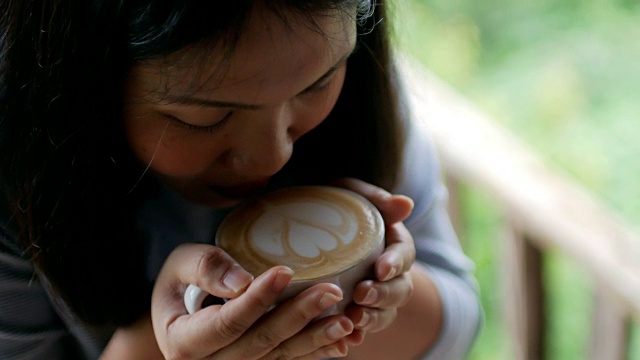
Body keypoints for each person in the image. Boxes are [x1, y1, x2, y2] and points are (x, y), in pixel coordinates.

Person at [0, 0, 482, 359]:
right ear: (79, 84)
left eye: (315, 85)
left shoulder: (356, 89)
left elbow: (459, 325)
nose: (273, 157)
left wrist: (366, 279)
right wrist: (161, 343)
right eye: (202, 119)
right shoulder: (14, 178)